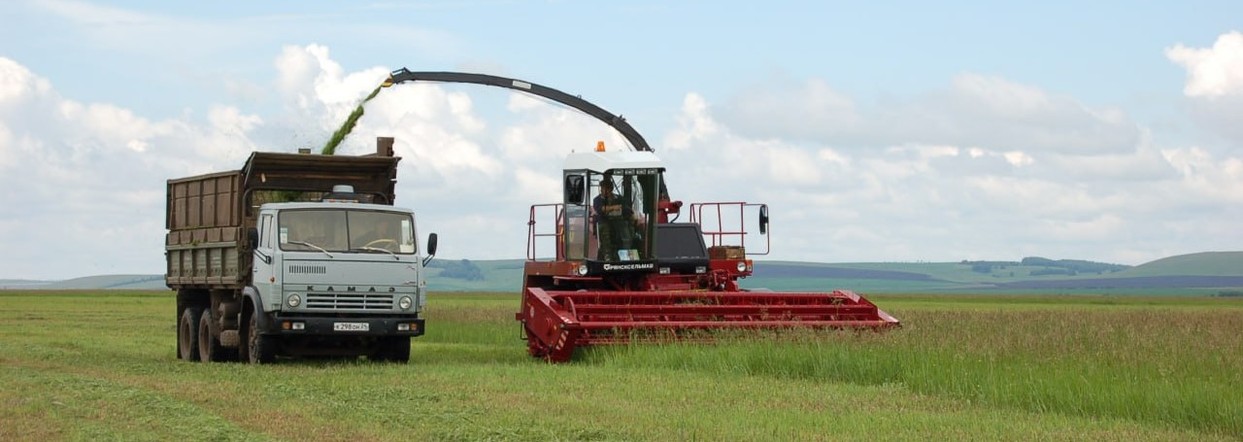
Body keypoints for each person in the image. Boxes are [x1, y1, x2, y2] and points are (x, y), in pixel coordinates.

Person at [593, 178, 633, 261]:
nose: (604, 190)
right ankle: (608, 256)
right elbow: (600, 209)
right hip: (604, 222)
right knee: (605, 232)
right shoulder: (597, 200)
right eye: (602, 188)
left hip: (619, 222)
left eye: (606, 188)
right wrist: (614, 207)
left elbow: (627, 210)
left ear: (611, 189)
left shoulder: (619, 198)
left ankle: (627, 256)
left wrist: (625, 211)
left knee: (627, 234)